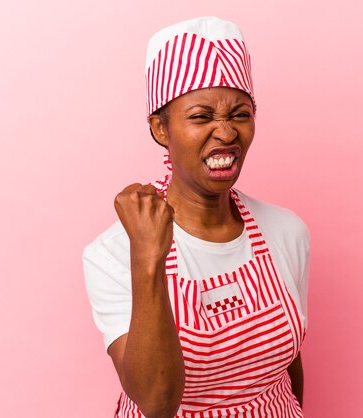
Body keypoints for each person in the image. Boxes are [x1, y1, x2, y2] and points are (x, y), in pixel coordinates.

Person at [83, 16, 310, 418]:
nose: (226, 133)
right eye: (202, 116)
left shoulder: (286, 230)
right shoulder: (113, 253)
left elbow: (287, 365)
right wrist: (148, 256)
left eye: (240, 114)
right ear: (160, 128)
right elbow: (156, 401)